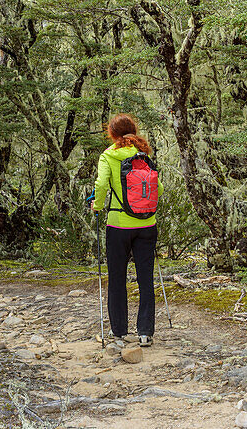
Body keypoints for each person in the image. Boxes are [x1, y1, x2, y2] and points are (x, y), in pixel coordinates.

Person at [90, 113, 162, 347]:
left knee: (117, 278)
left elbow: (101, 185)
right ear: (133, 130)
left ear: (112, 133)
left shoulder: (108, 155)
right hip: (147, 224)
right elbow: (158, 188)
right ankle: (145, 333)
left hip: (118, 224)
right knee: (145, 279)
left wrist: (97, 206)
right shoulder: (143, 154)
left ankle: (119, 332)